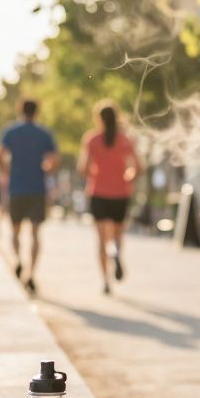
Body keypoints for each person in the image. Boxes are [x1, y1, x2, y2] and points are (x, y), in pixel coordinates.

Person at [77, 100, 140, 295]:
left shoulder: (92, 140)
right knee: (117, 234)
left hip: (99, 193)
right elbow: (137, 167)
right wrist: (127, 177)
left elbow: (83, 169)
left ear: (98, 119)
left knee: (101, 237)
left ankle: (105, 280)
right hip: (121, 193)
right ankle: (116, 253)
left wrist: (96, 173)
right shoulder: (125, 140)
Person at [0, 99, 58, 295]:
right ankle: (31, 273)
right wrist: (43, 171)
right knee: (35, 234)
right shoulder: (44, 134)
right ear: (37, 112)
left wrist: (6, 174)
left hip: (17, 188)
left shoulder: (10, 132)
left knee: (14, 232)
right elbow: (53, 160)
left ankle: (17, 260)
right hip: (37, 189)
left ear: (19, 110)